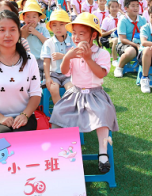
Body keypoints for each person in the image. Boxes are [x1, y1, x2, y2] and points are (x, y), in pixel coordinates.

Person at [49, 13, 118, 174]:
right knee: (58, 113)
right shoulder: (71, 51)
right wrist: (67, 57)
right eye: (74, 33)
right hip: (76, 93)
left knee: (103, 114)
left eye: (82, 34)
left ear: (93, 35)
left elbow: (101, 74)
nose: (77, 37)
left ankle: (103, 153)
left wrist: (88, 58)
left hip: (95, 94)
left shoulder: (102, 53)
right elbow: (65, 71)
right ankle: (62, 153)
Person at [0, 10, 42, 134]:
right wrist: (1, 118)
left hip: (24, 117)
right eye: (2, 30)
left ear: (19, 32)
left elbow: (36, 93)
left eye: (12, 29)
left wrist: (25, 115)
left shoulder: (29, 59)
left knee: (20, 136)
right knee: (3, 135)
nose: (8, 34)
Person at [41, 10, 74, 104]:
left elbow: (77, 58)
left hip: (69, 74)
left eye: (61, 24)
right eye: (54, 25)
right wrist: (47, 78)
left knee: (71, 89)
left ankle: (69, 111)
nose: (58, 28)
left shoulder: (72, 41)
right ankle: (59, 112)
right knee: (54, 89)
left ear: (67, 26)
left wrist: (64, 56)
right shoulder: (48, 43)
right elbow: (46, 62)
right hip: (53, 74)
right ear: (50, 27)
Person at [114, 0, 147, 77]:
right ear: (126, 8)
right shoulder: (123, 20)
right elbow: (122, 39)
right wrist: (136, 45)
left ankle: (147, 72)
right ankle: (119, 67)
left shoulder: (143, 19)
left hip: (140, 43)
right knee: (131, 51)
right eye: (133, 6)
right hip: (124, 44)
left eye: (137, 5)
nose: (136, 8)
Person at [20, 1, 49, 75]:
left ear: (39, 18)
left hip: (42, 59)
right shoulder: (21, 30)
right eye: (28, 16)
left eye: (34, 16)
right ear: (23, 18)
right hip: (28, 60)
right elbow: (19, 44)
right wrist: (24, 33)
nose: (31, 19)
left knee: (46, 74)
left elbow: (48, 43)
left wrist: (36, 33)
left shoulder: (43, 29)